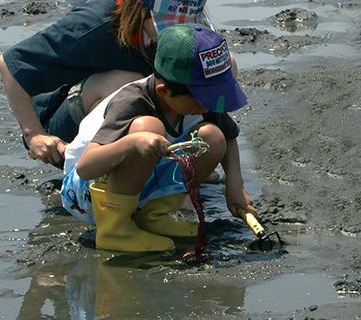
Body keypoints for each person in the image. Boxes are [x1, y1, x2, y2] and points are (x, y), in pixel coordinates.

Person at [0, 0, 229, 166]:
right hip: (67, 128)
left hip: (143, 118)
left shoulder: (178, 5)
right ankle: (109, 172)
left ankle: (169, 161)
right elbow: (10, 65)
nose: (173, 36)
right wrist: (34, 135)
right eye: (166, 27)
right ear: (142, 3)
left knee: (216, 67)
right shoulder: (91, 27)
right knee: (126, 83)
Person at [60, 23, 255, 253]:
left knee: (212, 137)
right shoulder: (132, 102)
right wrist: (132, 142)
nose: (208, 105)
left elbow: (228, 136)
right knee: (148, 127)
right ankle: (115, 229)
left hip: (138, 182)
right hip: (88, 192)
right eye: (202, 98)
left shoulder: (199, 99)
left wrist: (235, 184)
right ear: (163, 91)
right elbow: (85, 168)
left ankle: (152, 215)